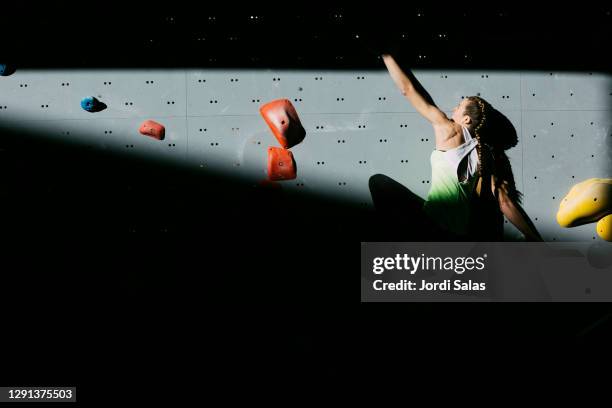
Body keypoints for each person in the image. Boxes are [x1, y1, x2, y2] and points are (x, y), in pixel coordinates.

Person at [370, 53, 543, 241]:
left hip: (431, 225)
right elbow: (505, 202)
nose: (453, 109)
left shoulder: (450, 130)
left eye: (459, 106)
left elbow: (409, 90)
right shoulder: (485, 155)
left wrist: (387, 54)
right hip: (455, 236)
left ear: (467, 119)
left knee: (378, 182)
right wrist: (534, 238)